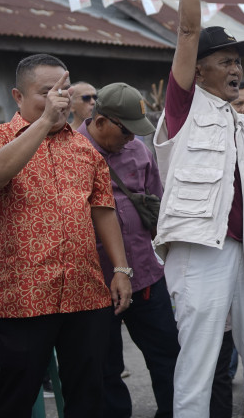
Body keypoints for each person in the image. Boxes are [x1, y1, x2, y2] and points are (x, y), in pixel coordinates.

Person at [152, 0, 244, 418]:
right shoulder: (182, 107)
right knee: (201, 363)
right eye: (225, 61)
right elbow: (187, 32)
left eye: (238, 62)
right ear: (199, 70)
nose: (235, 68)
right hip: (199, 250)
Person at [0, 53, 132, 417]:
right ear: (18, 96)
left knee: (88, 395)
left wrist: (121, 269)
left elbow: (103, 209)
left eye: (64, 89)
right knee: (17, 396)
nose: (59, 98)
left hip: (84, 293)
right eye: (47, 91)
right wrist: (43, 123)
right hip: (23, 296)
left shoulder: (84, 150)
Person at [75, 82, 177, 418]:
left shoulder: (139, 152)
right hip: (95, 284)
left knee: (169, 357)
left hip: (146, 276)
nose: (132, 138)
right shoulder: (71, 152)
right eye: (126, 131)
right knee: (104, 369)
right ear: (101, 120)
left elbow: (156, 206)